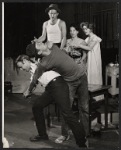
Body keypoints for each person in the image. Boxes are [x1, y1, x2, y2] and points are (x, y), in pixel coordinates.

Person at [24, 41, 89, 146]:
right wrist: (28, 90)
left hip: (82, 76)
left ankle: (84, 137)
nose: (40, 42)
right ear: (39, 51)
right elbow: (35, 78)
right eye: (38, 44)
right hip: (69, 82)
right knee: (65, 112)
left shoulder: (52, 47)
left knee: (84, 108)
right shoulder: (44, 63)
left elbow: (49, 40)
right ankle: (79, 141)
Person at [55, 23, 88, 143]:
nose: (72, 32)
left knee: (84, 107)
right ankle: (65, 134)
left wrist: (80, 63)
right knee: (66, 106)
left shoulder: (83, 42)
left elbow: (85, 56)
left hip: (81, 76)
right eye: (71, 30)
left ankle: (85, 134)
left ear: (78, 32)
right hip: (69, 78)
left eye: (74, 30)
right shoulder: (67, 42)